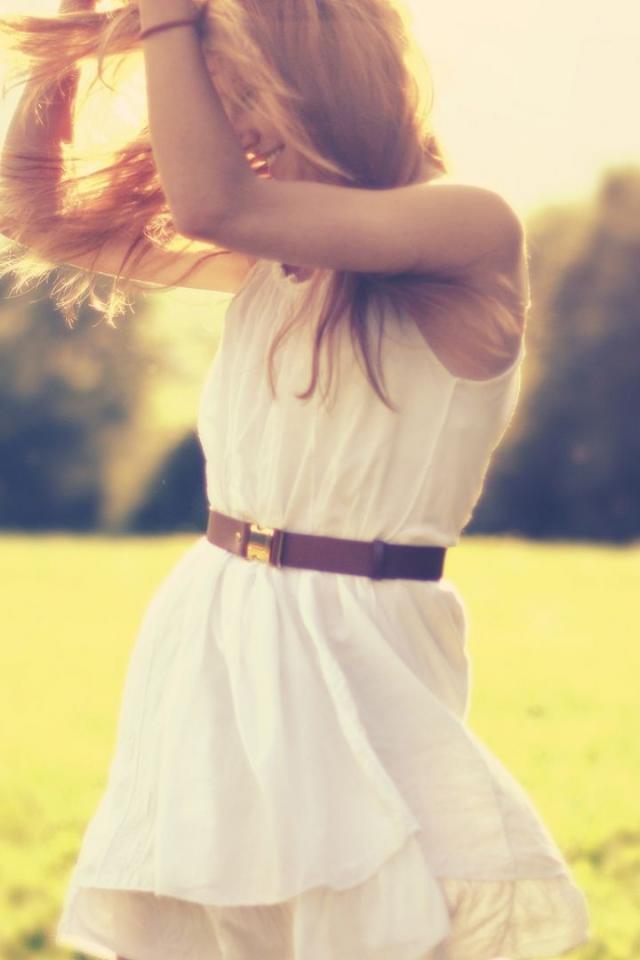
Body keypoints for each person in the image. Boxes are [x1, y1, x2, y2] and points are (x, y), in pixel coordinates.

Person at [0, 1, 591, 958]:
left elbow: (213, 203)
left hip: (360, 640)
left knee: (373, 924)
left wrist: (167, 19)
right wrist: (73, 41)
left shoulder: (469, 226)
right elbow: (34, 217)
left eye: (244, 93)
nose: (233, 124)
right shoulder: (272, 257)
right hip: (216, 622)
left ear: (316, 78)